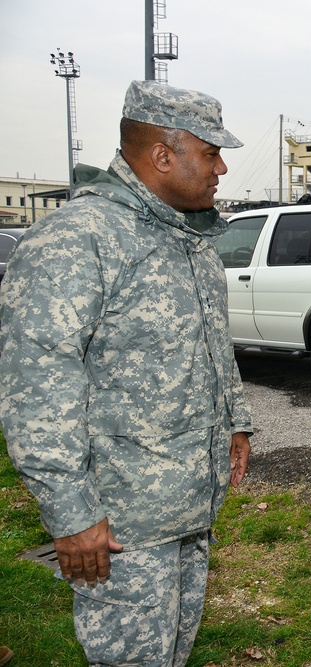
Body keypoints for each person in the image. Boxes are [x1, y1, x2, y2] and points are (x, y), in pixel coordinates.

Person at [0, 80, 252, 665]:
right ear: (162, 155)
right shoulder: (74, 240)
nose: (220, 169)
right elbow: (37, 386)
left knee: (175, 648)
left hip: (187, 501)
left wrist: (235, 421)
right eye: (210, 152)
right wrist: (70, 513)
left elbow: (213, 345)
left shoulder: (188, 236)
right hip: (121, 522)